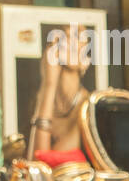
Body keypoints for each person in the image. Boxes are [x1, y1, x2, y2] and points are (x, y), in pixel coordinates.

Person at [29, 23, 90, 159]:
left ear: (86, 60)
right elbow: (34, 168)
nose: (67, 41)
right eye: (62, 35)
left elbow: (44, 162)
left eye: (77, 37)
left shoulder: (87, 109)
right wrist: (48, 84)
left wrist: (49, 84)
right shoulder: (40, 101)